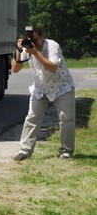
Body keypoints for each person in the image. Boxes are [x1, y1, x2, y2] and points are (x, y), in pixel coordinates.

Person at [11, 27, 76, 161]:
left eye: (36, 40)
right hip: (40, 88)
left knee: (66, 118)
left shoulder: (52, 46)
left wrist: (35, 53)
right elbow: (15, 69)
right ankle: (24, 151)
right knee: (32, 117)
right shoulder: (26, 48)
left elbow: (52, 67)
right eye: (31, 40)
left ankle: (66, 151)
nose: (34, 43)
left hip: (61, 86)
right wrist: (19, 50)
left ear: (42, 37)